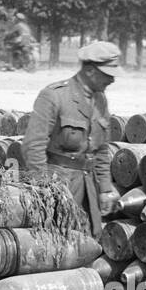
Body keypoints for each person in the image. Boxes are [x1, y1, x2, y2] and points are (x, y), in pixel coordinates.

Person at [20, 40, 121, 234]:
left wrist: (106, 189)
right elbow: (33, 146)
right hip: (59, 187)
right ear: (90, 70)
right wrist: (46, 192)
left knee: (89, 242)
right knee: (59, 244)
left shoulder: (100, 100)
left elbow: (100, 151)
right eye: (108, 74)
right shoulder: (54, 96)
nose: (112, 80)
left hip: (88, 189)